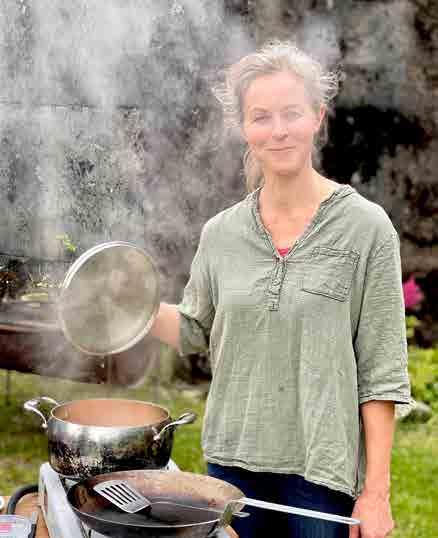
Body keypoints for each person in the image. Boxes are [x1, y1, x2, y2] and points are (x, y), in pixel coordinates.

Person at [150, 40, 411, 538]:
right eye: (261, 117)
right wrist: (130, 304)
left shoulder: (366, 228)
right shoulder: (221, 233)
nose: (278, 131)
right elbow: (193, 329)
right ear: (243, 128)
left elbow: (382, 371)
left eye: (292, 113)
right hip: (232, 467)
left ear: (317, 116)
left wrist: (376, 493)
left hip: (321, 474)